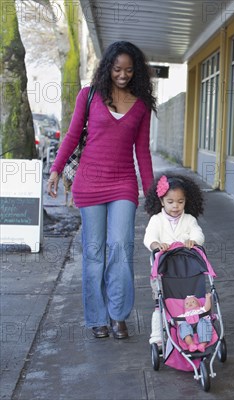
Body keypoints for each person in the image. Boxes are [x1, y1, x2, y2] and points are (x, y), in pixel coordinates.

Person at [47, 41, 157, 340]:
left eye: (129, 70)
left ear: (136, 72)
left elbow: (143, 152)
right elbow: (71, 135)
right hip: (89, 183)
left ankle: (118, 315)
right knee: (94, 253)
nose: (122, 75)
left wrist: (151, 194)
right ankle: (97, 317)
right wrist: (55, 170)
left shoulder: (141, 104)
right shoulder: (90, 95)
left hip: (123, 183)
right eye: (117, 69)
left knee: (120, 249)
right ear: (108, 66)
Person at [143, 174, 205, 344]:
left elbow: (198, 234)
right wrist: (156, 244)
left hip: (186, 271)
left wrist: (193, 241)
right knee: (160, 304)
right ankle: (157, 337)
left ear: (186, 201)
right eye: (170, 202)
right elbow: (148, 238)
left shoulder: (189, 220)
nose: (175, 206)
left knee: (188, 303)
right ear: (162, 201)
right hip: (162, 271)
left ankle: (192, 332)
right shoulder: (157, 220)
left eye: (180, 202)